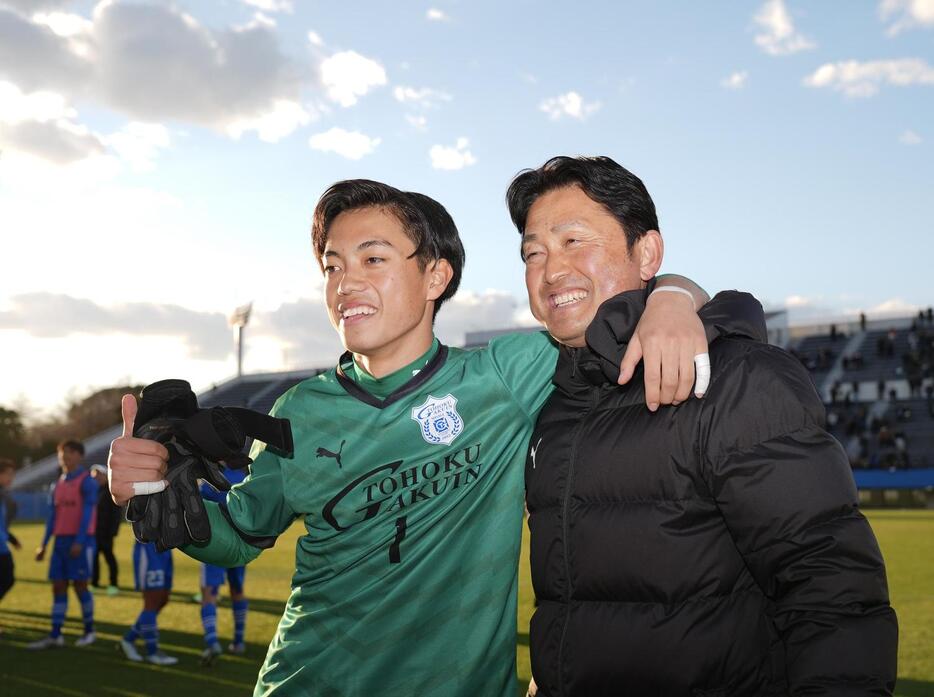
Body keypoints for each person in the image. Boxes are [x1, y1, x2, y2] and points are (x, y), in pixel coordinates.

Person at [108, 179, 755, 695]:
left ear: (436, 276)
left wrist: (671, 296)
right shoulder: (298, 410)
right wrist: (152, 489)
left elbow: (630, 303)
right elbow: (241, 535)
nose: (346, 282)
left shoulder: (506, 375)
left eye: (373, 258)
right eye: (333, 265)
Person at [509, 156, 898, 696]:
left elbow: (830, 588)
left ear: (647, 253)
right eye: (533, 253)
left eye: (575, 241)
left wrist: (676, 295)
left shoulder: (738, 378)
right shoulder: (554, 405)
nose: (551, 270)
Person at [28, 440, 98, 649]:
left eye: (69, 452)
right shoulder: (57, 484)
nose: (65, 457)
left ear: (79, 455)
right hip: (60, 542)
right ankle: (56, 634)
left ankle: (89, 631)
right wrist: (43, 544)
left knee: (80, 585)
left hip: (81, 541)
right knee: (58, 586)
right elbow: (52, 517)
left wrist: (79, 540)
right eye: (61, 453)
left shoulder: (88, 482)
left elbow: (88, 513)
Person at [197, 467, 250, 666]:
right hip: (239, 543)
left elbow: (197, 507)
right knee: (237, 590)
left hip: (214, 544)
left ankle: (212, 642)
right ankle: (238, 642)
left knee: (209, 592)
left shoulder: (211, 479)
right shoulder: (246, 478)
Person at [118, 540, 178, 665]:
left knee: (163, 599)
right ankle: (152, 652)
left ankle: (129, 639)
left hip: (166, 546)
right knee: (151, 602)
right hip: (149, 549)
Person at [89, 464, 121, 595]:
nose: (96, 478)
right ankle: (94, 583)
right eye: (94, 477)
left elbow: (116, 513)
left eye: (98, 476)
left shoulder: (111, 491)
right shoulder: (93, 491)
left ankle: (113, 584)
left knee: (109, 558)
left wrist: (113, 531)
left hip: (106, 532)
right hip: (94, 532)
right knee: (94, 559)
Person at [0, 458, 22, 633]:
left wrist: (11, 538)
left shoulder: (3, 494)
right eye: (8, 474)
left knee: (7, 580)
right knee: (7, 579)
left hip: (2, 545)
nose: (11, 477)